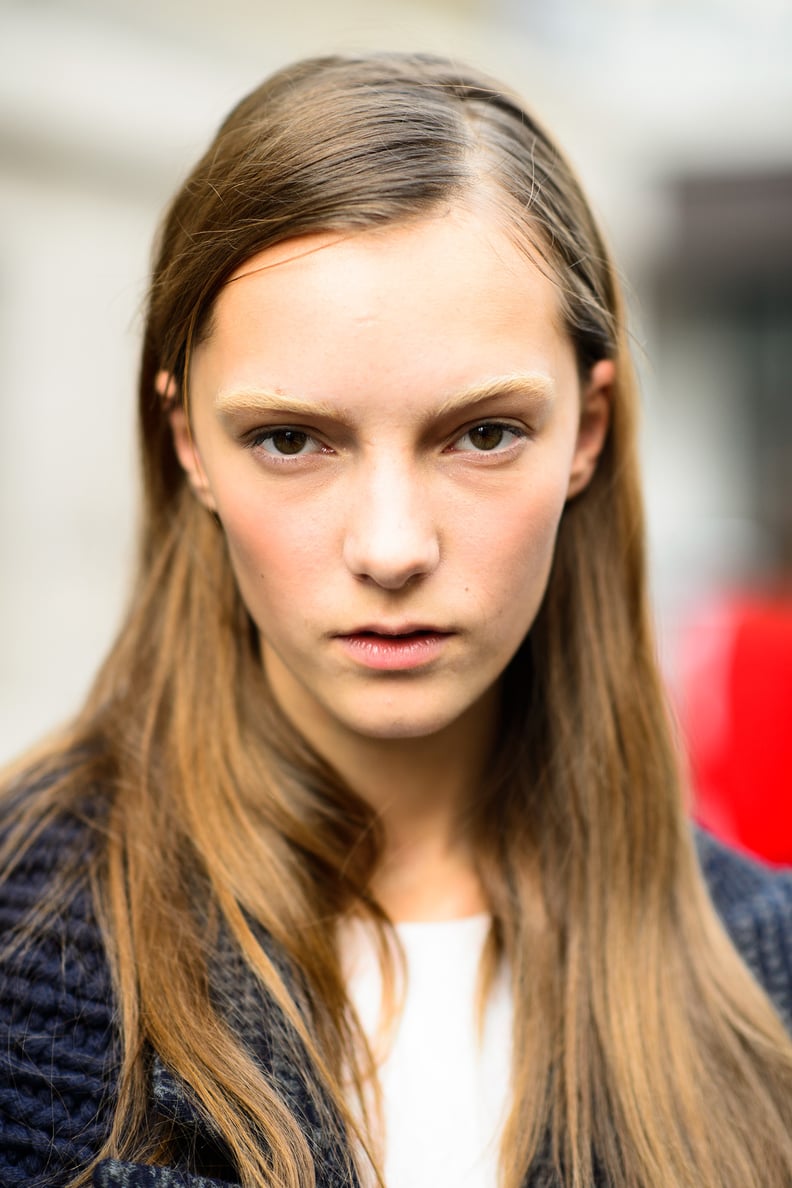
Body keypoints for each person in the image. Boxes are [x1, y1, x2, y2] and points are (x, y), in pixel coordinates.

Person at [1, 52, 791, 1188]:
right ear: (189, 446)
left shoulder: (766, 979)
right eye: (291, 439)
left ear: (588, 429)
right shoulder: (23, 946)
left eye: (480, 434)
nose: (390, 548)